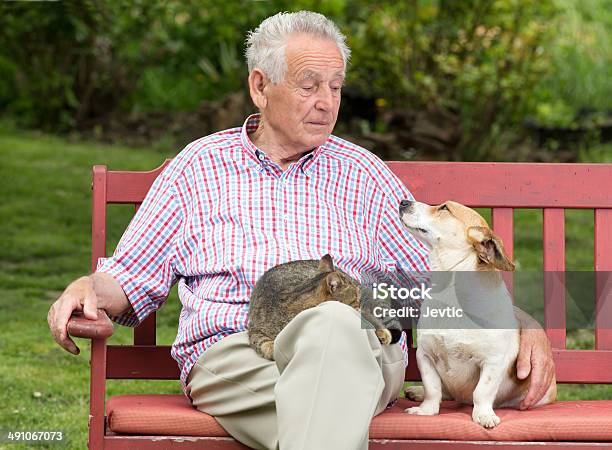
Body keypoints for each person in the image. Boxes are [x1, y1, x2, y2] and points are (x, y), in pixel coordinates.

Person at [47, 11, 555, 450]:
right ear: (260, 86)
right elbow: (132, 274)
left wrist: (519, 322)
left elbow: (433, 284)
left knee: (333, 323)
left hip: (363, 350)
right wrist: (88, 287)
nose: (326, 102)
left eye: (335, 88)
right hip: (237, 356)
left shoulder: (364, 174)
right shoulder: (198, 168)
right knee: (332, 389)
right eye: (309, 85)